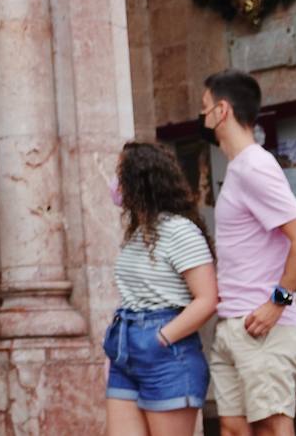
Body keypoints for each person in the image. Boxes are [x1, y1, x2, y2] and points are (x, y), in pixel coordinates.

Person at [200, 71, 296, 436]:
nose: (202, 117)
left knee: (271, 427)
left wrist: (276, 303)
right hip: (233, 324)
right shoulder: (239, 168)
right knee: (233, 428)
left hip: (262, 326)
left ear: (223, 110)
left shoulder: (255, 165)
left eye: (204, 109)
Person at [104, 142, 218, 436]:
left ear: (139, 179)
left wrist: (161, 338)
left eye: (120, 174)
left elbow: (207, 299)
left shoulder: (179, 229)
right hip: (125, 349)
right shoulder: (139, 232)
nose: (115, 183)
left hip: (167, 354)